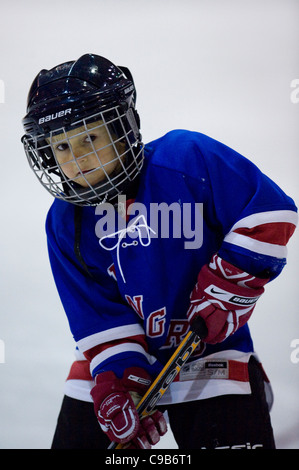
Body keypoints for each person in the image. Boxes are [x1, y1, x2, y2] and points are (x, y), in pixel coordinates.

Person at [22, 53, 297, 450]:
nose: (77, 159)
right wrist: (120, 382)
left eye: (90, 138)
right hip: (113, 364)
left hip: (210, 351)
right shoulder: (66, 222)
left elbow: (269, 209)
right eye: (61, 146)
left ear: (123, 129)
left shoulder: (186, 158)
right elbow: (98, 317)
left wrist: (230, 283)